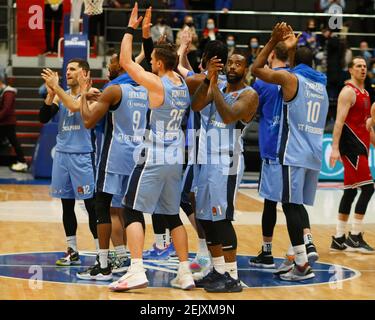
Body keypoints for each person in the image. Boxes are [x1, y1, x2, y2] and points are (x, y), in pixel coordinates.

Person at [108, 5, 194, 291]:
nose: (151, 64)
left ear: (157, 63)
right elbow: (171, 60)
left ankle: (135, 269)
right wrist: (149, 35)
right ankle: (185, 272)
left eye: (153, 60)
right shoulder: (181, 81)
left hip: (154, 155)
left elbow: (125, 61)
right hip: (175, 158)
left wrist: (131, 29)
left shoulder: (157, 85)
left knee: (130, 209)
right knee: (171, 216)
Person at [252, 23, 329, 281]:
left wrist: (273, 42)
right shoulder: (322, 86)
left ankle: (302, 264)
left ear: (296, 64)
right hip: (313, 154)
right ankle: (300, 255)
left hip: (292, 152)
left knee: (289, 205)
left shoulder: (291, 79)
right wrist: (293, 52)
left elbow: (256, 69)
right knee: (296, 205)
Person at [191, 51, 259, 292]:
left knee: (222, 218)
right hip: (206, 158)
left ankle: (232, 276)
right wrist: (208, 80)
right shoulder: (217, 85)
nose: (232, 67)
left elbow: (229, 115)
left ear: (246, 69)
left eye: (238, 64)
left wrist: (215, 88)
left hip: (227, 161)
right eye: (229, 63)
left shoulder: (249, 95)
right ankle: (217, 270)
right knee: (206, 218)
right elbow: (196, 104)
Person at [76, 52, 147, 281]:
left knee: (102, 206)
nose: (109, 66)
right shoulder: (147, 89)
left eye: (112, 63)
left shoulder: (114, 89)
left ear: (123, 67)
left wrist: (83, 97)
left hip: (115, 156)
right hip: (139, 157)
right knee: (133, 210)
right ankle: (135, 263)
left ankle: (104, 264)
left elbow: (88, 121)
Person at [39, 59, 99, 266]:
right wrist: (50, 94)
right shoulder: (60, 95)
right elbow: (43, 117)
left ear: (84, 72)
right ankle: (72, 250)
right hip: (63, 155)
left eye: (72, 69)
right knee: (67, 205)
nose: (68, 73)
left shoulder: (93, 92)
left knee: (91, 206)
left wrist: (56, 89)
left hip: (82, 155)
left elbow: (74, 106)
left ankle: (102, 253)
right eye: (67, 70)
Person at [329, 56, 375, 254]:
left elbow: (366, 125)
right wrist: (334, 148)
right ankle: (355, 236)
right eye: (358, 66)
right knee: (368, 188)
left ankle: (339, 238)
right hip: (351, 146)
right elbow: (339, 122)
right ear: (350, 70)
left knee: (350, 191)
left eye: (364, 66)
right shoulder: (348, 92)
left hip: (361, 145)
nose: (362, 69)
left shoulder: (365, 93)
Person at [0, 70, 28, 172]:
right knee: (14, 142)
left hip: (7, 123)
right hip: (3, 122)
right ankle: (22, 161)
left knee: (14, 142)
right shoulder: (3, 92)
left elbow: (6, 109)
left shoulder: (8, 92)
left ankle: (23, 162)